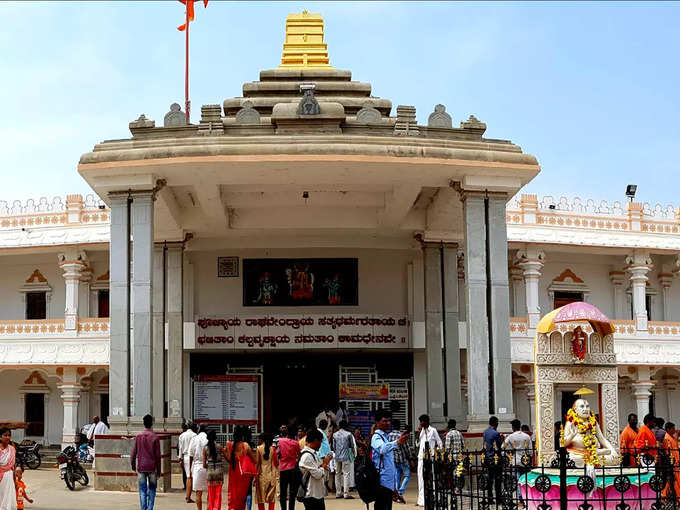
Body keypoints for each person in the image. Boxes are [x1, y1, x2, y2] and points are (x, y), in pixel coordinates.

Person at [372, 409, 410, 510]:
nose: (387, 423)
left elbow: (390, 465)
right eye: (384, 421)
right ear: (377, 422)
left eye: (389, 421)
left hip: (388, 484)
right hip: (381, 483)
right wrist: (397, 442)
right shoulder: (376, 437)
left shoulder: (386, 437)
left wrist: (394, 488)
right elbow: (382, 449)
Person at [131, 414, 161, 510]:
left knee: (142, 491)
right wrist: (159, 471)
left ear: (143, 423)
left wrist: (132, 464)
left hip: (141, 467)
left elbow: (133, 453)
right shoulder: (155, 437)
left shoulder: (138, 436)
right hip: (152, 468)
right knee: (152, 489)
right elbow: (158, 456)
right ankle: (150, 508)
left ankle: (143, 508)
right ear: (152, 423)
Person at [299, 428, 332, 510]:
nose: (320, 445)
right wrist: (324, 464)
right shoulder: (307, 456)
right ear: (315, 441)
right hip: (311, 495)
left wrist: (323, 466)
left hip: (317, 493)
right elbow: (318, 474)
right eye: (320, 442)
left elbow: (321, 470)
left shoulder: (314, 454)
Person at [226, 425, 257, 510]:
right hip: (243, 474)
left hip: (233, 472)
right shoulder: (245, 445)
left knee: (233, 494)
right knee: (243, 495)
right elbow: (254, 460)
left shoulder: (229, 445)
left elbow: (229, 460)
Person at [502, 419, 532, 504]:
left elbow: (502, 447)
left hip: (515, 460)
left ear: (513, 427)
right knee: (525, 480)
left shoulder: (511, 437)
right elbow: (530, 451)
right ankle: (526, 496)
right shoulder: (526, 436)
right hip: (525, 460)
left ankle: (520, 497)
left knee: (518, 480)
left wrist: (508, 454)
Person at [416, 414, 442, 507]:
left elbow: (439, 443)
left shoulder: (433, 430)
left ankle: (434, 497)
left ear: (426, 422)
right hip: (421, 457)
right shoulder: (421, 431)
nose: (420, 423)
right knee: (421, 478)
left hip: (430, 458)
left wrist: (436, 452)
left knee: (432, 477)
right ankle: (421, 500)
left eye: (421, 421)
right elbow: (417, 444)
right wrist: (418, 434)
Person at [388, 419, 412, 504]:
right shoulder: (401, 435)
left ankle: (396, 493)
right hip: (402, 459)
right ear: (399, 426)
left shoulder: (389, 435)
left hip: (393, 459)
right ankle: (400, 492)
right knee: (407, 475)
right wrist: (410, 458)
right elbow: (406, 448)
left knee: (397, 475)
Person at [279, 425, 302, 510]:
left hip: (283, 468)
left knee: (283, 491)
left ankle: (283, 508)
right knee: (292, 492)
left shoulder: (280, 441)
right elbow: (299, 455)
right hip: (293, 468)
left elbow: (277, 453)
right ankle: (291, 508)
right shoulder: (295, 443)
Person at [332, 420, 356, 499]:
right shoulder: (348, 434)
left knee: (337, 474)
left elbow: (334, 447)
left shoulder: (334, 434)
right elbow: (352, 446)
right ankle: (346, 493)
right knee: (346, 474)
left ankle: (338, 493)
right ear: (346, 426)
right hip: (345, 456)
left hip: (337, 456)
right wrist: (353, 455)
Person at [255, 433, 278, 510]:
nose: (258, 440)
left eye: (259, 439)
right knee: (271, 498)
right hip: (271, 475)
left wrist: (255, 477)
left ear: (262, 440)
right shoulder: (273, 449)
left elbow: (257, 464)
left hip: (261, 476)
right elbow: (276, 463)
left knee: (260, 498)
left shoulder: (258, 448)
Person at [202, 430, 224, 510]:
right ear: (215, 437)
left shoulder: (205, 448)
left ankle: (211, 508)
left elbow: (204, 465)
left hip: (210, 472)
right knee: (218, 493)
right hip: (219, 472)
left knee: (211, 494)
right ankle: (217, 508)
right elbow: (227, 456)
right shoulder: (219, 446)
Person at [189, 425, 209, 510]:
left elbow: (190, 454)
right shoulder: (208, 439)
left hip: (197, 466)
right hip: (208, 466)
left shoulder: (194, 439)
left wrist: (190, 468)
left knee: (198, 493)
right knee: (210, 492)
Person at [484, 416, 503, 505]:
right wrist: (502, 439)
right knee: (498, 479)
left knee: (490, 479)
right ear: (496, 424)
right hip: (495, 458)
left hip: (488, 457)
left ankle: (490, 498)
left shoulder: (485, 432)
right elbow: (499, 446)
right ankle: (498, 498)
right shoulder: (495, 433)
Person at [179, 422, 198, 496]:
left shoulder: (182, 435)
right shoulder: (195, 435)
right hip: (192, 456)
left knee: (187, 474)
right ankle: (191, 490)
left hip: (185, 456)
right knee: (192, 475)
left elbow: (180, 448)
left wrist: (180, 458)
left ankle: (187, 489)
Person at [662, 422, 680, 499]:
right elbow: (667, 452)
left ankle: (664, 494)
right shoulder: (667, 438)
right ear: (668, 429)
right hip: (673, 461)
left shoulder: (671, 437)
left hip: (676, 461)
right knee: (675, 479)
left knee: (672, 479)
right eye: (673, 428)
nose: (674, 430)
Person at [0, 428, 16, 510]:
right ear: (0, 437)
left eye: (9, 435)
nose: (7, 437)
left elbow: (13, 466)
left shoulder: (12, 449)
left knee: (7, 500)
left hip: (8, 477)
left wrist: (15, 480)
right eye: (5, 435)